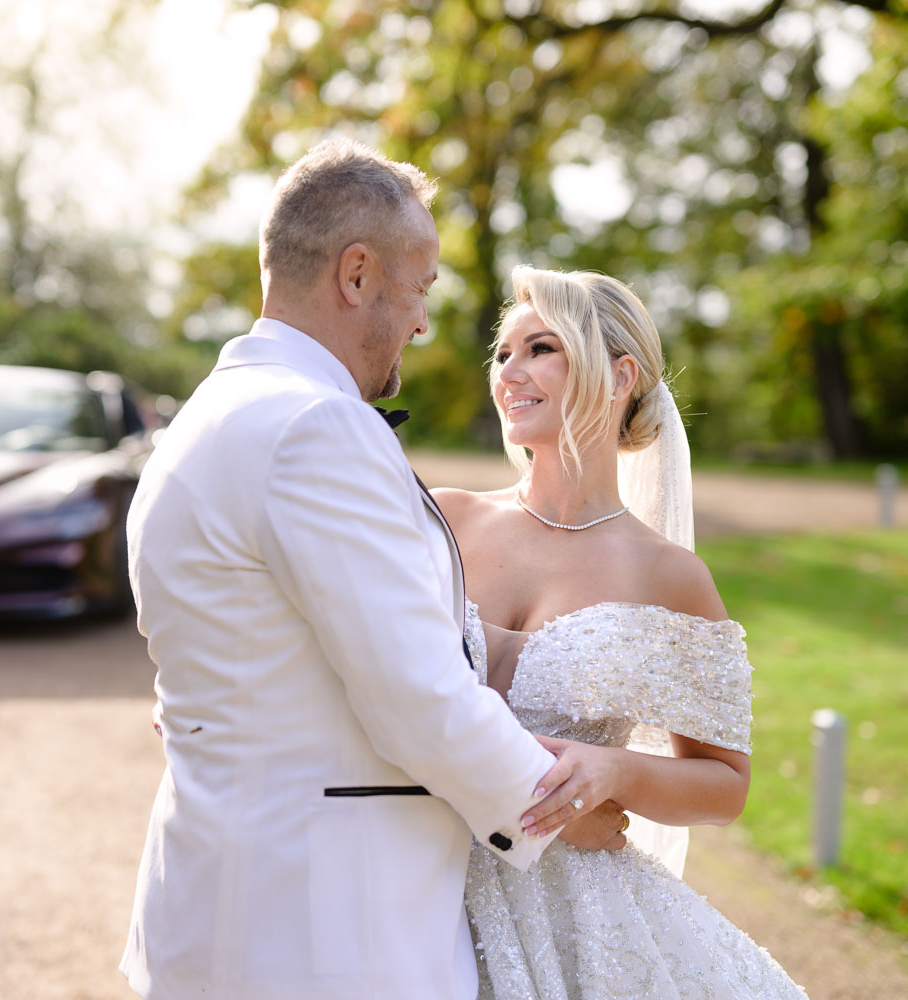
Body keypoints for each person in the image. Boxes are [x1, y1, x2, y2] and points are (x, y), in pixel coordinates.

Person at [120, 140, 624, 1000]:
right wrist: (559, 807)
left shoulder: (211, 414)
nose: (424, 321)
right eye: (420, 287)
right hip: (320, 936)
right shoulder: (314, 426)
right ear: (357, 275)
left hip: (224, 905)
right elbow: (416, 694)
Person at [434, 265, 810, 998]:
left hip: (573, 919)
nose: (510, 371)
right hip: (414, 880)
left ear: (618, 376)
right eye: (503, 353)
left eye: (541, 347)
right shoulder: (443, 523)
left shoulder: (670, 577)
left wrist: (613, 772)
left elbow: (725, 785)